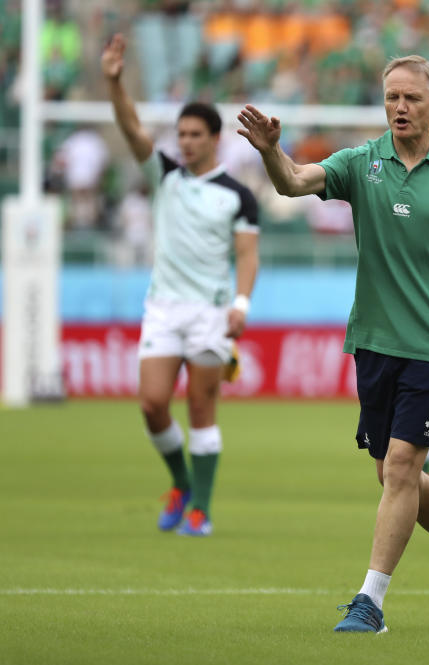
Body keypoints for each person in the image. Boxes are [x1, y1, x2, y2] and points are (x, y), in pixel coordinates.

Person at [237, 55, 429, 633]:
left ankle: (370, 602)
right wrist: (269, 152)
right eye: (391, 98)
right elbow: (293, 182)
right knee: (392, 474)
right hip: (375, 342)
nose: (400, 108)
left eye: (411, 98)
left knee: (404, 464)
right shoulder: (362, 163)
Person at [101, 34, 260, 537]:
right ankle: (181, 482)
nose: (185, 141)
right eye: (181, 134)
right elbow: (129, 128)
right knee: (151, 404)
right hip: (164, 308)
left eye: (194, 134)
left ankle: (202, 510)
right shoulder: (165, 176)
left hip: (211, 312)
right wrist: (114, 81)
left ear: (214, 138)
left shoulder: (237, 196)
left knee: (201, 409)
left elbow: (247, 254)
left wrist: (241, 302)